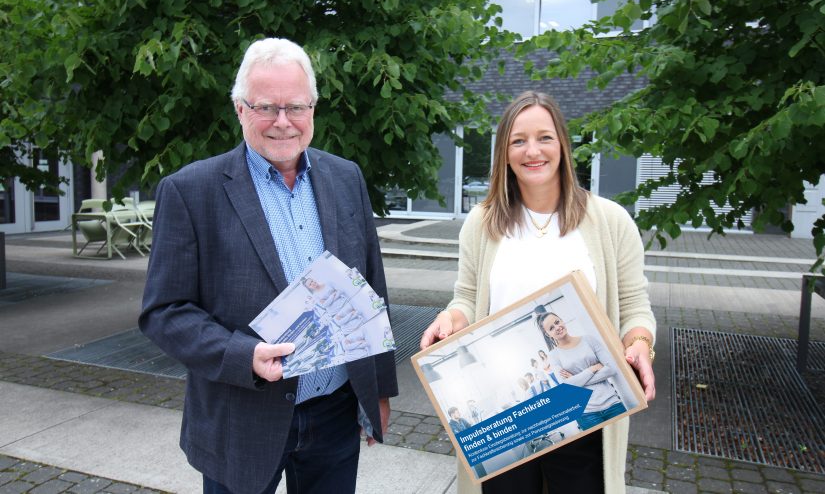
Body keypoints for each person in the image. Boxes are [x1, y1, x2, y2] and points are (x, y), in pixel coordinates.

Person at [140, 37, 396, 494]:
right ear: (240, 109)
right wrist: (244, 356)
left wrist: (378, 389)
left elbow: (371, 290)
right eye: (266, 107)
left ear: (313, 109)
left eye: (296, 107)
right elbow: (164, 311)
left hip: (335, 413)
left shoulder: (346, 177)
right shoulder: (189, 191)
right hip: (241, 416)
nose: (283, 122)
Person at [419, 91, 656, 494]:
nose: (533, 151)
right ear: (504, 153)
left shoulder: (611, 221)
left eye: (544, 137)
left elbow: (635, 307)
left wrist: (639, 344)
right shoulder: (481, 223)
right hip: (507, 411)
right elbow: (467, 297)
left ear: (562, 144)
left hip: (584, 406)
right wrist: (451, 318)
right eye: (518, 140)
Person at [538, 312, 627, 430]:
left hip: (612, 404)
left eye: (557, 322)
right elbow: (566, 386)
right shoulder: (554, 355)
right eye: (551, 328)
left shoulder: (589, 340)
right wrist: (592, 369)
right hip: (585, 413)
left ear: (562, 320)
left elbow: (611, 369)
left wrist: (576, 378)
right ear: (548, 334)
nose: (557, 327)